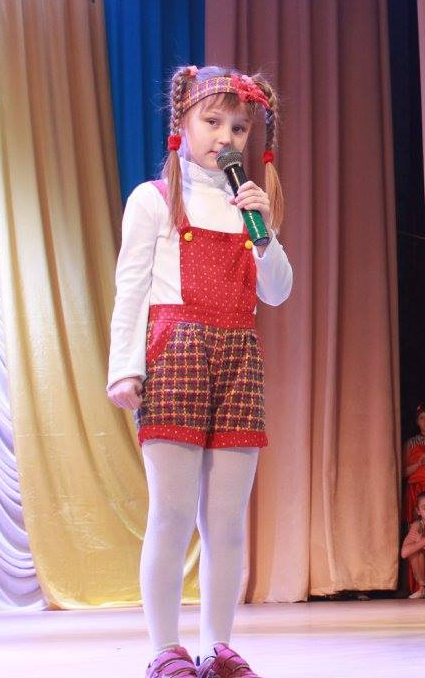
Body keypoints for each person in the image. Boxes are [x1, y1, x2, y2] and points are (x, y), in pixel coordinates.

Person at [107, 65, 293, 678]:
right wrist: (124, 368)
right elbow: (131, 289)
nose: (225, 137)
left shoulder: (250, 206)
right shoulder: (154, 199)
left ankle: (218, 647)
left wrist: (264, 235)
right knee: (172, 512)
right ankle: (165, 648)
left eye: (238, 128)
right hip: (176, 352)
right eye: (212, 122)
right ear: (182, 123)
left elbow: (276, 293)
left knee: (227, 520)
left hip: (239, 356)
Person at [403, 403, 425, 523]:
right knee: (416, 524)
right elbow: (401, 473)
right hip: (415, 489)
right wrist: (418, 464)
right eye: (422, 418)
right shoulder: (411, 443)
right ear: (417, 422)